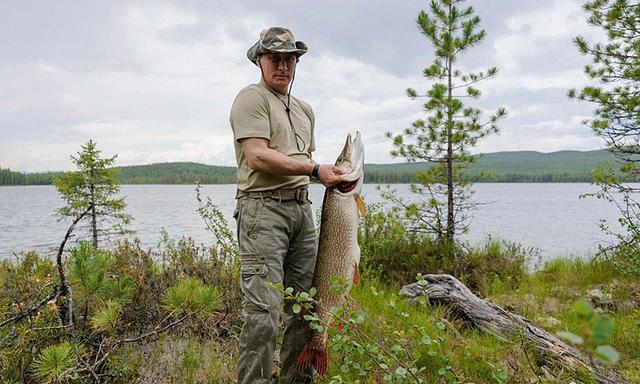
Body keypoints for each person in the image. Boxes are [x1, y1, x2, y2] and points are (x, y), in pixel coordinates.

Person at [230, 27, 344, 384]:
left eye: (289, 58)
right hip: (262, 212)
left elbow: (301, 161)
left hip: (301, 212)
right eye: (274, 58)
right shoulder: (252, 98)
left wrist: (326, 174)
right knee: (263, 313)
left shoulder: (305, 110)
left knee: (306, 310)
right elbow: (258, 157)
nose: (283, 65)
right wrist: (315, 169)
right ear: (259, 60)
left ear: (296, 62)